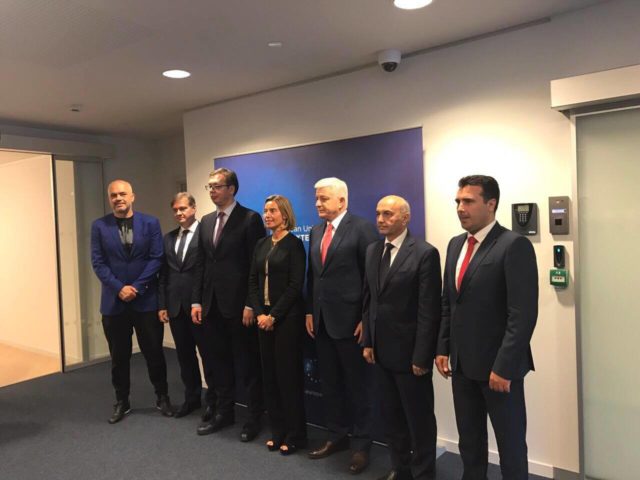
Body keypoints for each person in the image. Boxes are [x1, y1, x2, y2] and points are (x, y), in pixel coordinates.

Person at [436, 175, 538, 480]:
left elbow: (522, 314)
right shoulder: (455, 244)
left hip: (499, 370)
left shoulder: (513, 245)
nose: (460, 208)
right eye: (458, 201)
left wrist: (504, 367)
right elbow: (448, 303)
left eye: (468, 201)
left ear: (491, 204)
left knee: (510, 444)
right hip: (462, 366)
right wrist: (442, 348)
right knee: (470, 441)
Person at [362, 196, 441, 480]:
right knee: (391, 416)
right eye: (378, 213)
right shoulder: (373, 250)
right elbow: (369, 300)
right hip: (381, 351)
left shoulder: (424, 253)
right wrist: (368, 341)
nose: (381, 219)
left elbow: (428, 310)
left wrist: (422, 356)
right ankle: (400, 468)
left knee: (419, 420)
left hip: (410, 356)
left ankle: (423, 473)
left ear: (405, 218)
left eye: (388, 214)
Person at [306, 177, 378, 474]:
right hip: (322, 322)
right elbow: (314, 276)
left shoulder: (362, 229)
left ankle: (361, 445)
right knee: (330, 384)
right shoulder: (316, 231)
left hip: (351, 324)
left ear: (342, 201)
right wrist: (310, 311)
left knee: (357, 387)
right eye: (316, 198)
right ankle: (336, 435)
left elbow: (372, 278)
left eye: (323, 198)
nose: (317, 203)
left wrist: (365, 318)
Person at [191, 168, 266, 441]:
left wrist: (250, 304)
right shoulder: (206, 221)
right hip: (211, 306)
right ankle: (225, 413)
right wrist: (197, 300)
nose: (212, 191)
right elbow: (201, 264)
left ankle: (254, 418)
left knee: (248, 365)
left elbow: (256, 266)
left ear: (231, 189)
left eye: (217, 186)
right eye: (209, 186)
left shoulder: (250, 219)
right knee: (219, 363)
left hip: (239, 308)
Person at [90, 179, 173, 424]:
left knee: (154, 353)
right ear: (110, 199)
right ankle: (122, 401)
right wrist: (119, 288)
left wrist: (136, 287)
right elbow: (98, 262)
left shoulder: (150, 223)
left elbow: (156, 258)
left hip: (145, 301)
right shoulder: (99, 226)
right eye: (113, 195)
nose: (118, 198)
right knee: (119, 357)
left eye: (122, 194)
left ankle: (162, 396)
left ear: (132, 196)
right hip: (114, 303)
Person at [248, 195, 307, 455]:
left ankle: (296, 435)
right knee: (269, 377)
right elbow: (252, 281)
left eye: (273, 210)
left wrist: (274, 316)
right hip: (263, 321)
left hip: (286, 321)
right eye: (265, 210)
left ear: (285, 214)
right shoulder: (261, 244)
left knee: (288, 378)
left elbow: (295, 285)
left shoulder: (294, 245)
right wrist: (260, 314)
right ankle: (277, 430)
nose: (267, 215)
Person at [158, 192, 217, 419]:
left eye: (183, 208)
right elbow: (164, 274)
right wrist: (162, 304)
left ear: (193, 208)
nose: (179, 213)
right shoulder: (168, 238)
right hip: (175, 307)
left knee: (208, 355)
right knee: (184, 356)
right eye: (175, 210)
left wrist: (199, 301)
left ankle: (213, 401)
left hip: (198, 307)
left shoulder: (206, 234)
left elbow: (208, 273)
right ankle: (192, 398)